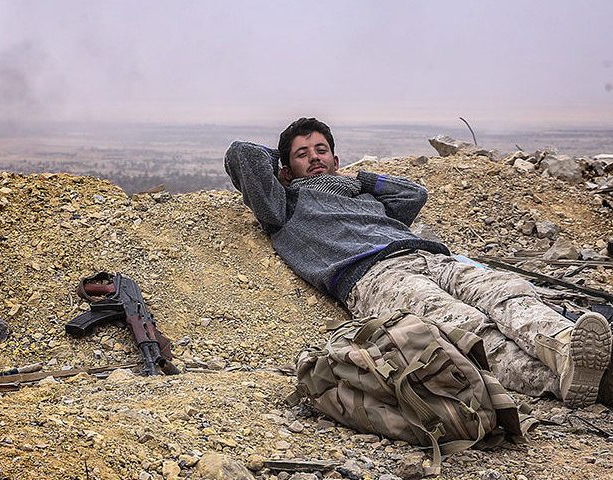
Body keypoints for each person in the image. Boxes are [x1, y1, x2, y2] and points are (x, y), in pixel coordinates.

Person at [224, 116, 612, 407]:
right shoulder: (283, 205)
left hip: (430, 255)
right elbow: (242, 153)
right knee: (464, 325)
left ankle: (567, 350)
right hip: (375, 276)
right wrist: (283, 169)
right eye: (302, 154)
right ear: (285, 167)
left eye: (321, 150)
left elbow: (414, 194)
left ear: (336, 157)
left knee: (508, 292)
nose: (314, 158)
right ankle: (562, 382)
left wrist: (360, 180)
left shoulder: (361, 193)